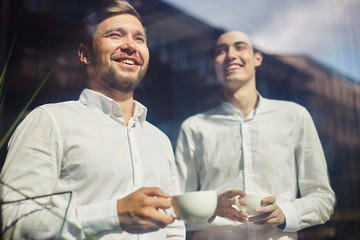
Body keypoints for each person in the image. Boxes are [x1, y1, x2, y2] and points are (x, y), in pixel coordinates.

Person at [0, 0, 185, 239]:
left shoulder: (159, 140)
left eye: (139, 39)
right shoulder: (50, 121)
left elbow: (173, 228)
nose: (130, 45)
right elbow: (11, 221)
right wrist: (113, 215)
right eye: (115, 35)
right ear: (85, 54)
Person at [175, 31, 336, 240]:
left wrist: (285, 213)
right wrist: (213, 206)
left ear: (257, 58)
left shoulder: (295, 116)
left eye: (240, 47)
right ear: (214, 65)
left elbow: (322, 197)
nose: (231, 55)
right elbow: (176, 205)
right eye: (221, 51)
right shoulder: (194, 127)